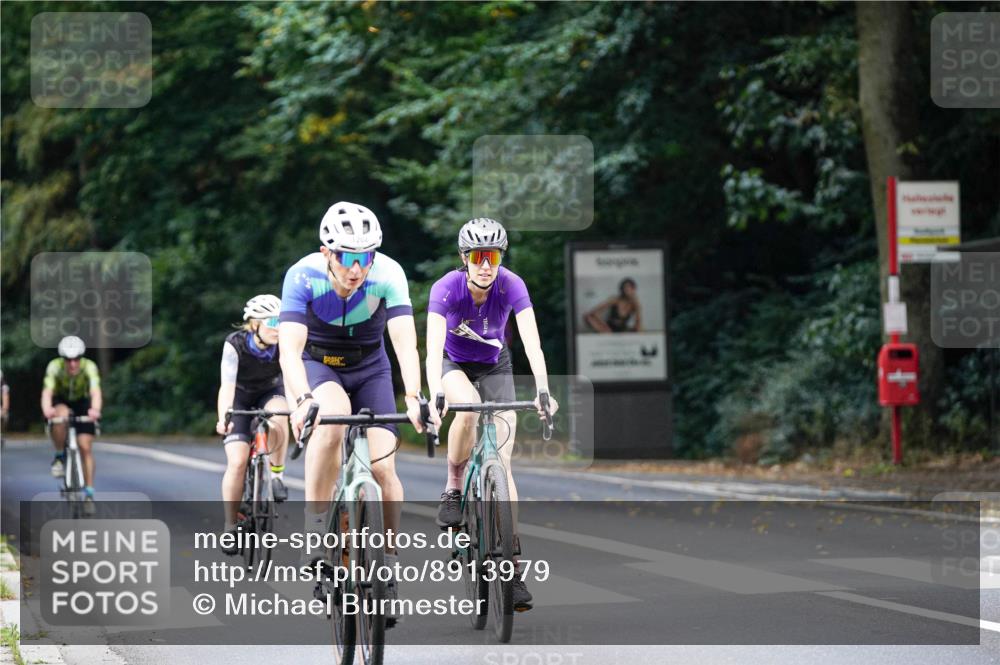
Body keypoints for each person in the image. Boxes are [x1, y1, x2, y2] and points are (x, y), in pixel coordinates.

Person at [279, 201, 431, 586]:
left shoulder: (388, 273)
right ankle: (315, 529)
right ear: (327, 252)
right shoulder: (302, 276)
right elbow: (289, 350)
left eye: (366, 256)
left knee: (383, 467)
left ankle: (389, 558)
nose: (357, 268)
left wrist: (414, 396)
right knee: (330, 424)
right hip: (320, 365)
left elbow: (403, 342)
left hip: (370, 368)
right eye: (347, 257)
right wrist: (301, 401)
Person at [425, 217, 560, 612]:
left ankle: (513, 567)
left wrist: (543, 390)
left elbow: (533, 344)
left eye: (494, 256)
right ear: (464, 258)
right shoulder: (446, 288)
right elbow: (432, 349)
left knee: (503, 465)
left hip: (496, 366)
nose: (486, 264)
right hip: (455, 366)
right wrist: (434, 392)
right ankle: (453, 486)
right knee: (465, 412)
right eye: (478, 257)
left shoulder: (512, 285)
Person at [216, 294, 290, 555]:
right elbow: (226, 386)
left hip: (271, 392)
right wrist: (224, 415)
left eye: (281, 320)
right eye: (271, 321)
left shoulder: (285, 343)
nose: (277, 327)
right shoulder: (234, 344)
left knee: (281, 414)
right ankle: (230, 525)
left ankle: (277, 474)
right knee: (236, 462)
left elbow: (293, 378)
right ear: (253, 324)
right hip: (241, 396)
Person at [41, 336, 102, 513]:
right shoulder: (54, 367)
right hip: (62, 401)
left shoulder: (89, 366)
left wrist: (95, 410)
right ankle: (60, 456)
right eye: (68, 359)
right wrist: (47, 409)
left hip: (83, 402)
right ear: (63, 359)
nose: (73, 364)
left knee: (85, 447)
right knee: (61, 415)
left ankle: (89, 493)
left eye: (76, 359)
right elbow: (47, 392)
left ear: (81, 358)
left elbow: (95, 391)